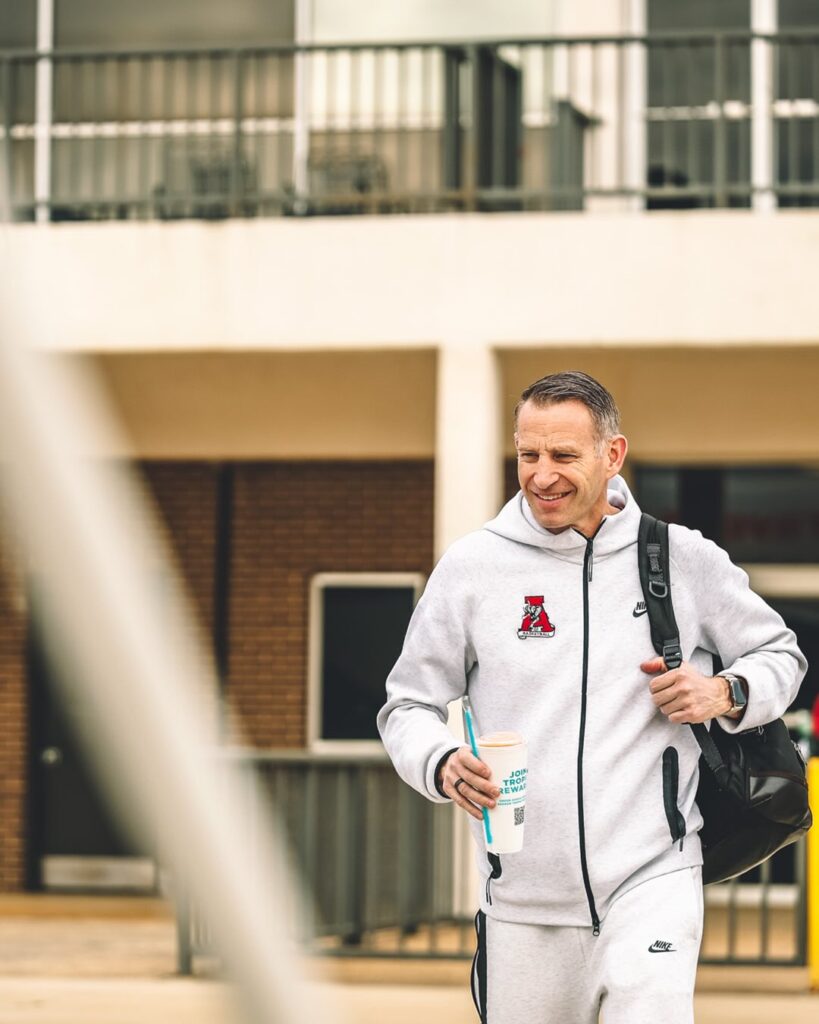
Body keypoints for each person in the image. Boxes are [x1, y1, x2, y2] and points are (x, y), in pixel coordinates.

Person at [377, 371, 806, 1024]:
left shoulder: (681, 558)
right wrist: (437, 761)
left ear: (612, 456)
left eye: (562, 456)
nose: (541, 475)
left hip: (652, 877)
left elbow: (782, 655)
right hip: (521, 900)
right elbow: (406, 704)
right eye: (528, 455)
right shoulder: (471, 569)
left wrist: (723, 691)